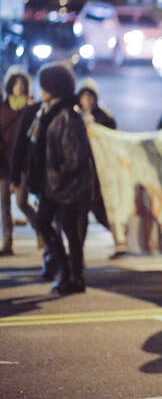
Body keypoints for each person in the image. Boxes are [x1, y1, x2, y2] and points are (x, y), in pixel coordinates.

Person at [26, 63, 93, 294]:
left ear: (53, 88)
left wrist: (59, 179)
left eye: (44, 85)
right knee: (52, 225)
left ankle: (72, 276)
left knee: (68, 231)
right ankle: (67, 272)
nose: (40, 89)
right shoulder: (46, 112)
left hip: (66, 186)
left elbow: (73, 157)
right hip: (53, 184)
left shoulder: (66, 116)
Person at [75, 78, 126, 258]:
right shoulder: (74, 116)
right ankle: (77, 252)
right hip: (81, 173)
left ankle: (121, 242)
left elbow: (113, 139)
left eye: (90, 96)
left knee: (101, 211)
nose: (87, 100)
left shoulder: (103, 116)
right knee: (81, 214)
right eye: (84, 96)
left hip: (100, 172)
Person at [0, 67, 35, 255]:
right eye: (16, 84)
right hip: (4, 163)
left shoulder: (29, 109)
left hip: (21, 163)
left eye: (22, 84)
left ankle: (41, 229)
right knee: (4, 204)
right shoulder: (3, 107)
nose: (19, 88)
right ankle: (7, 242)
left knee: (22, 202)